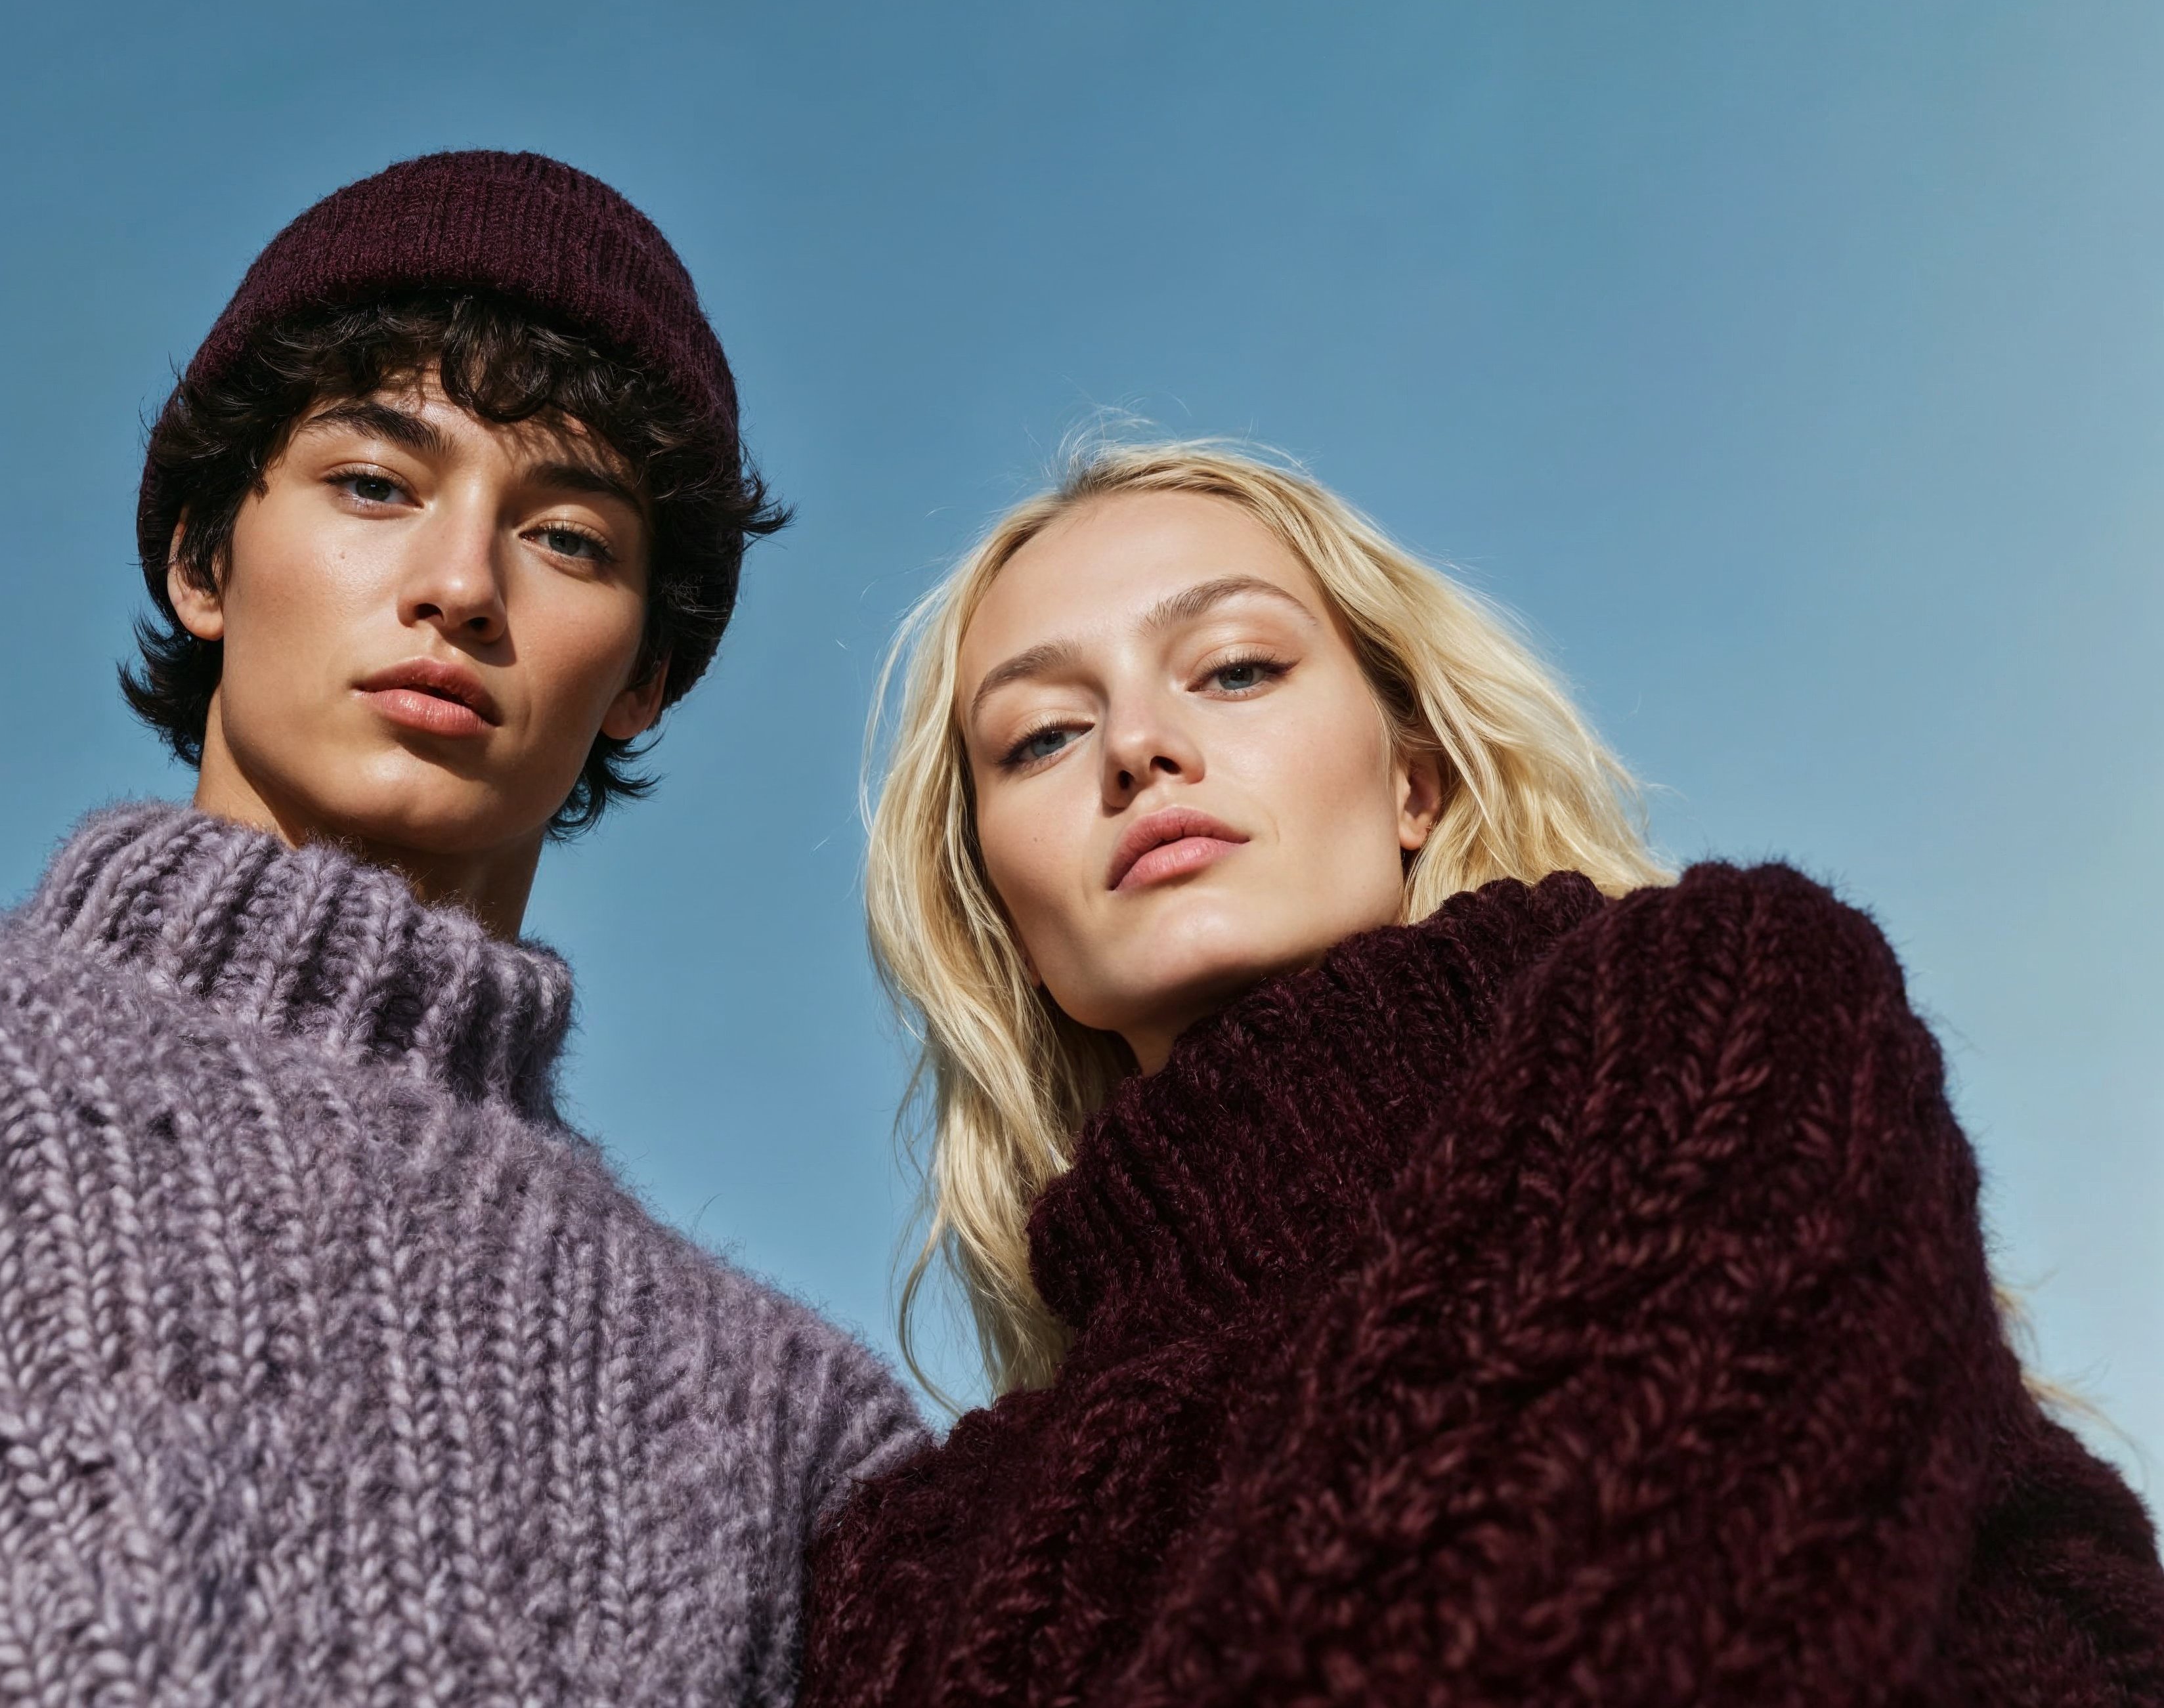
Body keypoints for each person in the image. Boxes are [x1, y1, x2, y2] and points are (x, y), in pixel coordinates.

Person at [0, 150, 924, 1706]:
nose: (459, 585)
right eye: (373, 483)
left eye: (568, 536)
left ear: (643, 676)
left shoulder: (793, 1435)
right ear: (201, 558)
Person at [796, 443, 2164, 1706]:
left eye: (1234, 668)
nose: (1138, 749)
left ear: (1414, 783)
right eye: (1039, 736)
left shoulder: (1728, 1010)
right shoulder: (916, 1557)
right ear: (1002, 917)